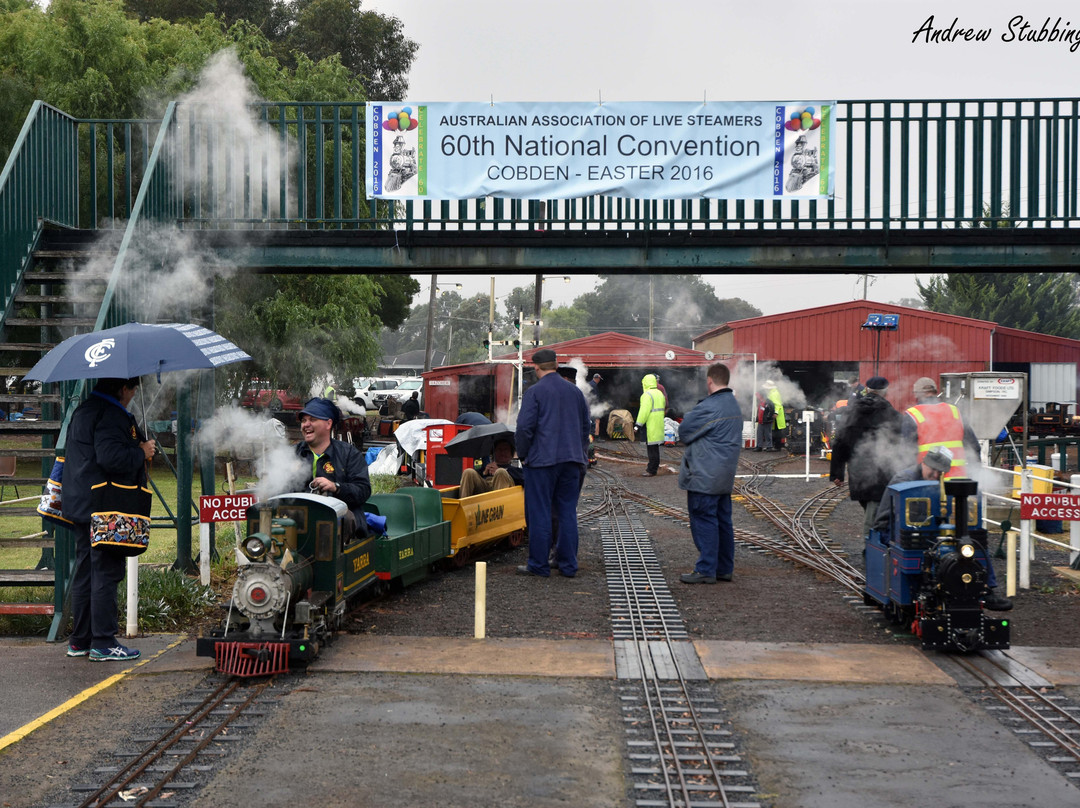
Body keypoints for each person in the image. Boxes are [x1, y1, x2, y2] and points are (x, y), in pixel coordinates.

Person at [63, 377, 156, 661]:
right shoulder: (112, 414)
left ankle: (80, 640)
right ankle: (103, 641)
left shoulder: (84, 410)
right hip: (104, 506)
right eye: (133, 389)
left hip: (81, 502)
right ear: (123, 389)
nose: (133, 395)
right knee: (106, 571)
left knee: (85, 571)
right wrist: (140, 452)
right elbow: (110, 457)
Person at [871, 447, 1012, 610]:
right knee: (920, 547)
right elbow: (900, 515)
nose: (936, 475)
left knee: (974, 543)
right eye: (934, 471)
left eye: (940, 472)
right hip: (890, 528)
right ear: (925, 464)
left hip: (922, 529)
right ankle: (918, 592)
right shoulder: (904, 480)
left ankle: (987, 591)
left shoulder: (938, 482)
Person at [515, 348, 591, 578]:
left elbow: (524, 429)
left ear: (536, 367)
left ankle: (538, 565)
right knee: (567, 512)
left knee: (540, 514)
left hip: (541, 463)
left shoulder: (534, 393)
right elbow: (585, 426)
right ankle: (568, 565)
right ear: (556, 366)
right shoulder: (576, 393)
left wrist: (523, 455)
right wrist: (579, 453)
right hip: (572, 461)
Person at [677, 363, 743, 584]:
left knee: (704, 519)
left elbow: (685, 431)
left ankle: (706, 569)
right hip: (725, 476)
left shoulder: (709, 407)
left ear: (709, 381)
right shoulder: (734, 404)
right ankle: (724, 568)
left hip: (704, 476)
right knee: (723, 521)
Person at [829, 376, 905, 537]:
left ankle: (874, 547)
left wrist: (837, 473)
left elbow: (839, 442)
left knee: (870, 509)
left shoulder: (851, 412)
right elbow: (902, 444)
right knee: (875, 514)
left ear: (867, 390)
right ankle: (869, 551)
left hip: (858, 471)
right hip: (882, 472)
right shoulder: (891, 414)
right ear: (885, 392)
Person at [295, 397, 371, 532]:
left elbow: (363, 491)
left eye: (312, 420)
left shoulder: (349, 454)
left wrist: (336, 487)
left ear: (328, 424)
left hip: (341, 521)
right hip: (298, 518)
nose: (306, 425)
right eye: (303, 420)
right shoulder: (293, 453)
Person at [902, 377, 980, 478]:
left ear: (916, 394)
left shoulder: (912, 415)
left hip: (928, 480)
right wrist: (977, 475)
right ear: (935, 392)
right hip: (957, 481)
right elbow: (974, 447)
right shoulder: (955, 411)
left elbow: (908, 453)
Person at [459, 438, 524, 497]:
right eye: (499, 449)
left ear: (511, 454)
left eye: (506, 450)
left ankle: (499, 507)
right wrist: (484, 473)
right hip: (484, 490)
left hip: (504, 497)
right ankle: (462, 504)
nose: (502, 452)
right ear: (494, 453)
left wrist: (501, 470)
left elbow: (525, 480)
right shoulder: (488, 467)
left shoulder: (515, 470)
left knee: (501, 472)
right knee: (468, 472)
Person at [635, 373, 666, 476]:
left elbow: (643, 412)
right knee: (655, 448)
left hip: (651, 424)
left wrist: (637, 425)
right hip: (659, 423)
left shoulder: (646, 395)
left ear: (646, 383)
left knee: (651, 449)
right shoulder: (659, 393)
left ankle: (651, 470)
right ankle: (654, 467)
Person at [763, 380, 786, 451]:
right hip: (775, 414)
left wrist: (775, 413)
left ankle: (777, 447)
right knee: (774, 430)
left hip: (777, 415)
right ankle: (773, 446)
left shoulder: (774, 393)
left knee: (777, 431)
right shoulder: (771, 393)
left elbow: (777, 404)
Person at [753, 386, 775, 451]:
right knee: (759, 434)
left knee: (767, 434)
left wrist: (768, 418)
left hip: (766, 421)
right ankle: (759, 446)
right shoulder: (761, 402)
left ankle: (769, 446)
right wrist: (758, 418)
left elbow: (771, 411)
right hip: (761, 421)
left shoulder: (768, 402)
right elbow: (759, 411)